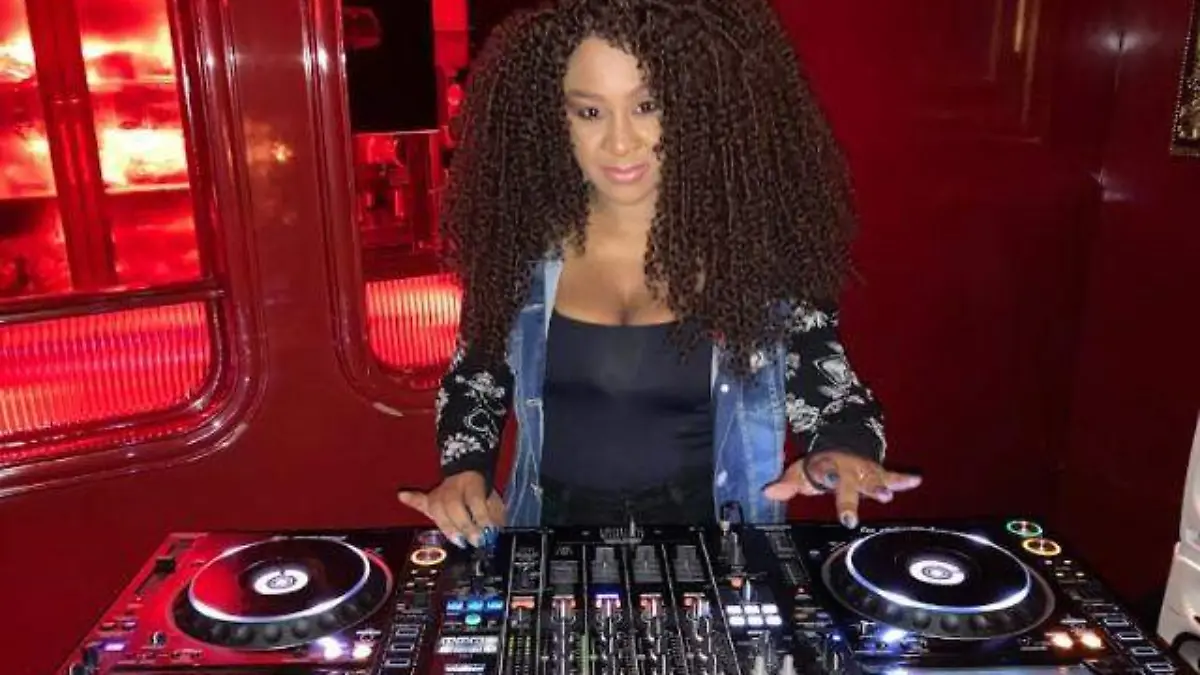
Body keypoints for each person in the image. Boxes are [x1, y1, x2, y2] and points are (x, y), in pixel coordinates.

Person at [398, 0, 922, 547]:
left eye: (647, 105)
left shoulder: (753, 256)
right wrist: (467, 471)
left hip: (717, 545)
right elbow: (476, 374)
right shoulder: (519, 251)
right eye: (590, 112)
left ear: (698, 106)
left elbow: (825, 377)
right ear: (551, 118)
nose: (620, 142)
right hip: (551, 541)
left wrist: (842, 449)